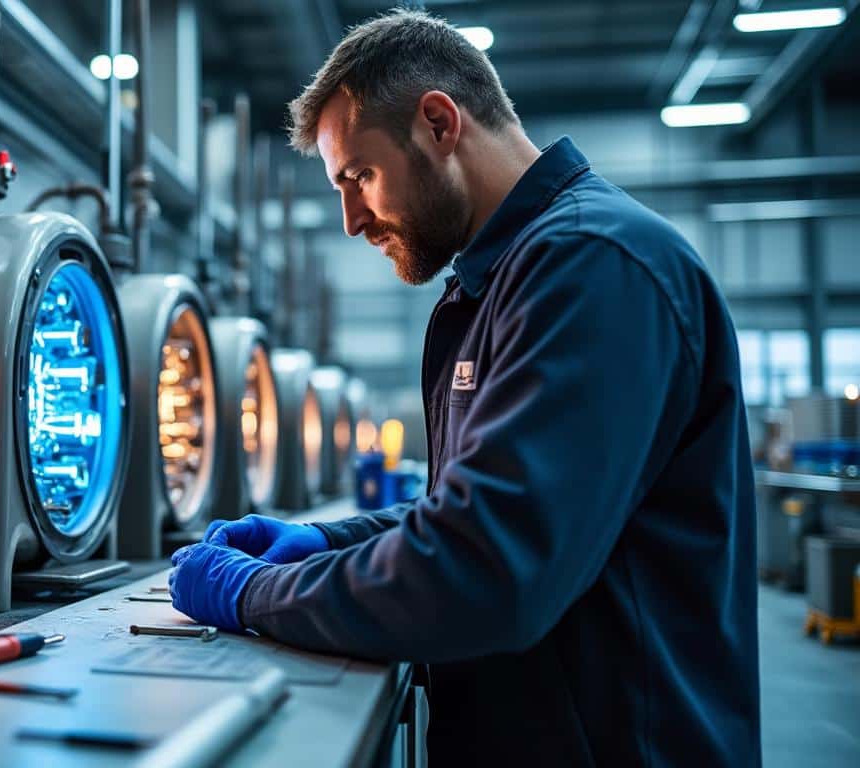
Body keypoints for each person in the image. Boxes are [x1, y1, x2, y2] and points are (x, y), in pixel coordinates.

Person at [169, 9, 760, 766]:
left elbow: (486, 569)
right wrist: (319, 543)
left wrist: (253, 596)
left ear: (440, 123)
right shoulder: (507, 281)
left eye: (359, 177)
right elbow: (473, 509)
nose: (352, 220)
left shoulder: (593, 267)